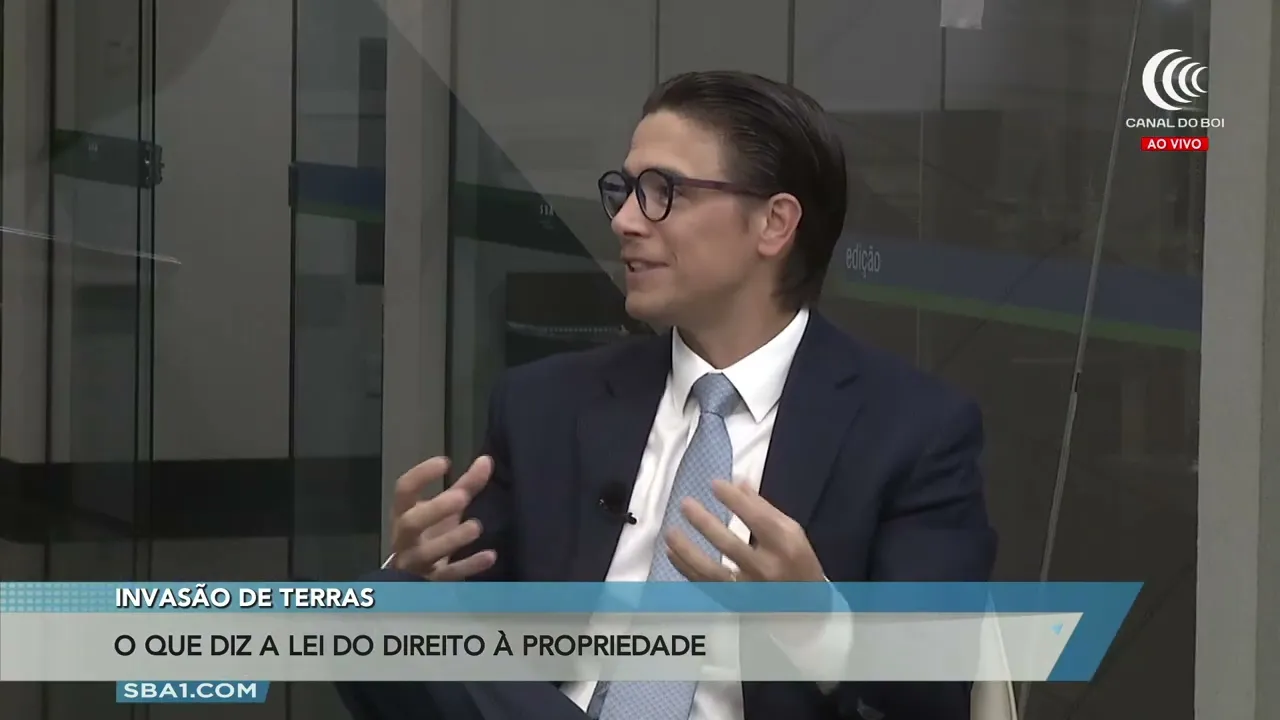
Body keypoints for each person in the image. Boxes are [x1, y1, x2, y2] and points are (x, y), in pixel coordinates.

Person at [337, 70, 996, 720]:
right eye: (625, 191)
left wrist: (817, 625)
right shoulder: (545, 404)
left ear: (774, 223)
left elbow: (934, 694)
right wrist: (414, 575)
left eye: (664, 192)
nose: (626, 220)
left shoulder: (914, 429)